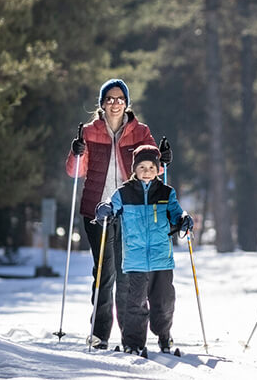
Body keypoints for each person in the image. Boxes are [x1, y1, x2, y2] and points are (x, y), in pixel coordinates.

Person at [65, 79, 172, 350]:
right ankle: (99, 333)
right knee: (104, 274)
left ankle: (130, 336)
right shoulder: (89, 132)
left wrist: (163, 160)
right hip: (96, 210)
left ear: (127, 103)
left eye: (120, 99)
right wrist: (76, 153)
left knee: (127, 274)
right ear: (102, 103)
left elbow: (151, 167)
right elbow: (75, 172)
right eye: (110, 99)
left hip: (131, 211)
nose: (115, 103)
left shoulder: (140, 131)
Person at [95, 145, 192, 355]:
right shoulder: (125, 192)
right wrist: (105, 209)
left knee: (164, 302)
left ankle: (164, 334)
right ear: (134, 169)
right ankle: (132, 342)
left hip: (161, 259)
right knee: (135, 305)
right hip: (135, 260)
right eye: (142, 167)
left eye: (151, 167)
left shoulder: (166, 193)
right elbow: (111, 205)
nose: (147, 171)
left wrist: (183, 219)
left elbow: (176, 213)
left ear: (158, 169)